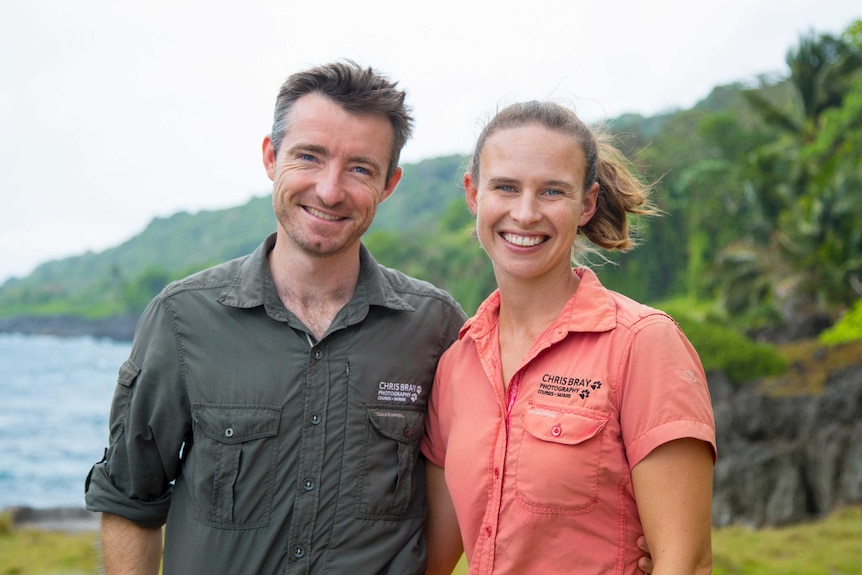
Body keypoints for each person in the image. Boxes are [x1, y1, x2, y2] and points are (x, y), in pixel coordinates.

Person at [83, 61, 469, 574]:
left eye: (360, 168)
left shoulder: (437, 328)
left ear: (390, 183)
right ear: (271, 156)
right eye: (309, 157)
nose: (330, 191)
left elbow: (456, 494)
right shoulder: (182, 319)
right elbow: (131, 497)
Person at [421, 101, 717, 574]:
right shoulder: (457, 363)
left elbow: (686, 560)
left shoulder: (642, 344)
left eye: (552, 191)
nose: (525, 212)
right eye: (506, 187)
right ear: (474, 194)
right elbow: (432, 559)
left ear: (586, 204)